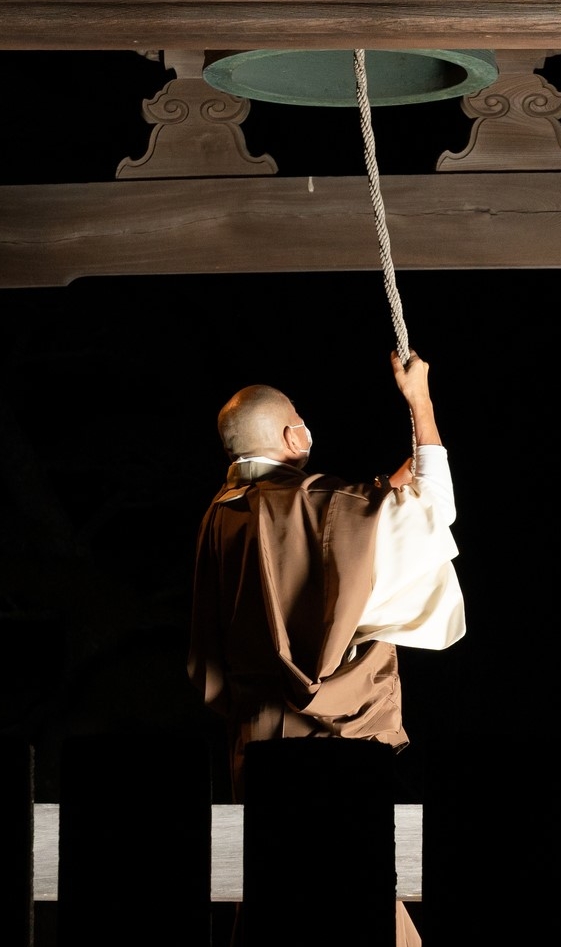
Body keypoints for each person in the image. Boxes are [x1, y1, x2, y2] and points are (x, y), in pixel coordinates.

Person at [189, 354, 465, 943]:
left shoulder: (223, 515)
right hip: (329, 743)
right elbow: (428, 513)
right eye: (300, 420)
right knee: (350, 901)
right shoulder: (317, 503)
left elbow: (364, 513)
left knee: (274, 901)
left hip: (256, 740)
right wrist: (422, 404)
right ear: (293, 435)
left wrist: (398, 481)